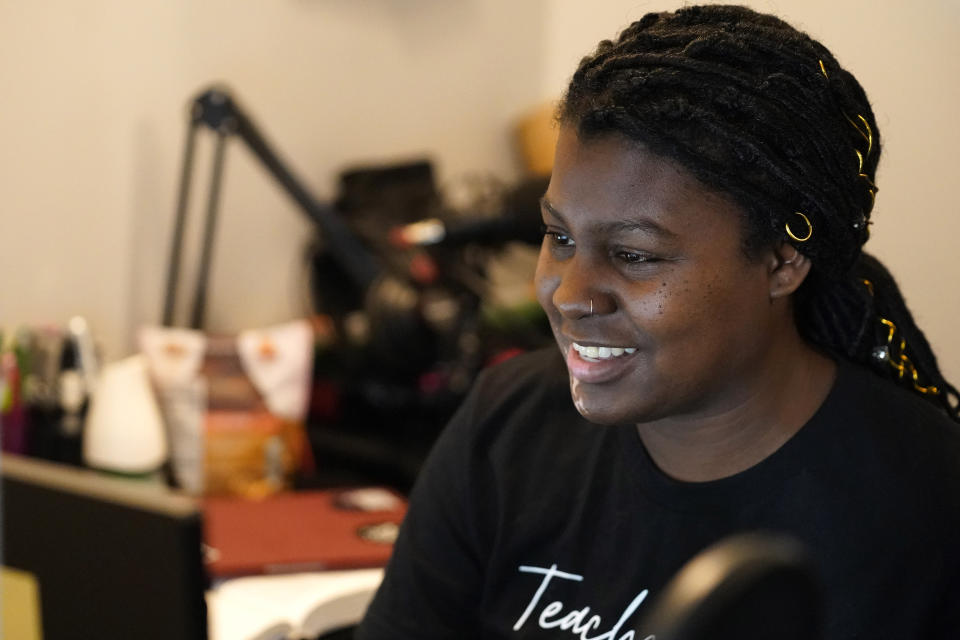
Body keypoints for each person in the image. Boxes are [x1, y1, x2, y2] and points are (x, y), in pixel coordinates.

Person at [357, 5, 960, 639]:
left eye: (634, 255)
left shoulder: (925, 511)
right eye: (559, 236)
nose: (570, 295)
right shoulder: (508, 427)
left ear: (783, 260)